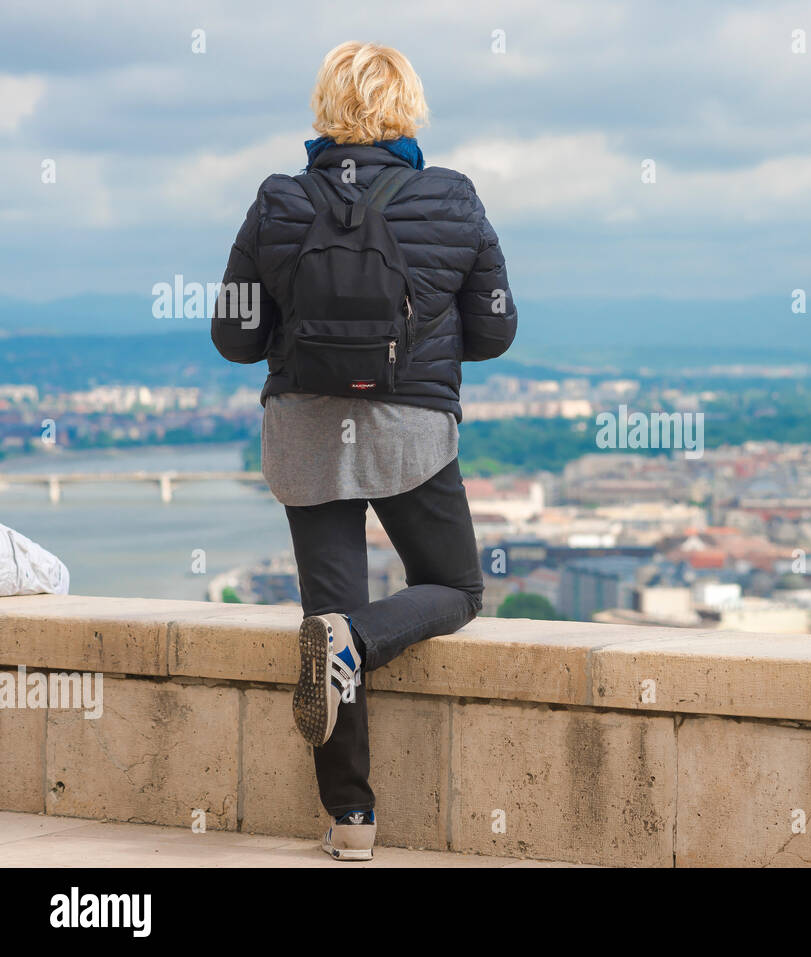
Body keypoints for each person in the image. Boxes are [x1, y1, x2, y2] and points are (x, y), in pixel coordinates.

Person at [210, 41, 517, 861]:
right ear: (408, 107)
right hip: (412, 428)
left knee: (326, 606)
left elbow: (234, 338)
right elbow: (496, 330)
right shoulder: (452, 200)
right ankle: (359, 640)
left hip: (307, 432)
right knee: (454, 585)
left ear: (324, 108)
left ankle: (351, 820)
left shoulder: (277, 202)